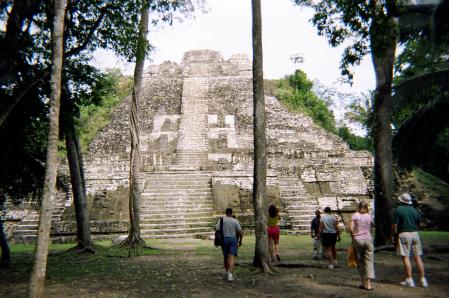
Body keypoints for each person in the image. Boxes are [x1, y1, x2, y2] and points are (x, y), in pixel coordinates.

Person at [392, 193, 428, 288]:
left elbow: (395, 225)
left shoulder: (398, 210)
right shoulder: (414, 210)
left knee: (406, 257)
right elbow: (418, 222)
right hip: (415, 234)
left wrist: (394, 235)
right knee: (417, 257)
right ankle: (423, 279)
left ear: (401, 201)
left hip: (404, 234)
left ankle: (409, 279)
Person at [349, 201, 374, 291]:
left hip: (358, 240)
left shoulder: (355, 215)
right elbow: (373, 225)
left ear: (358, 206)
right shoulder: (369, 215)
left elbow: (350, 229)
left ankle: (363, 282)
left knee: (360, 261)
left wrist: (353, 236)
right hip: (368, 239)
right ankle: (369, 284)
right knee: (369, 261)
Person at [215, 208, 243, 282]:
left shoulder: (221, 220)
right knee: (231, 257)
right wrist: (240, 241)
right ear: (231, 213)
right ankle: (230, 275)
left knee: (225, 257)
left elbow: (217, 229)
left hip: (224, 240)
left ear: (226, 213)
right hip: (233, 239)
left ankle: (227, 272)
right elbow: (240, 232)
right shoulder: (235, 220)